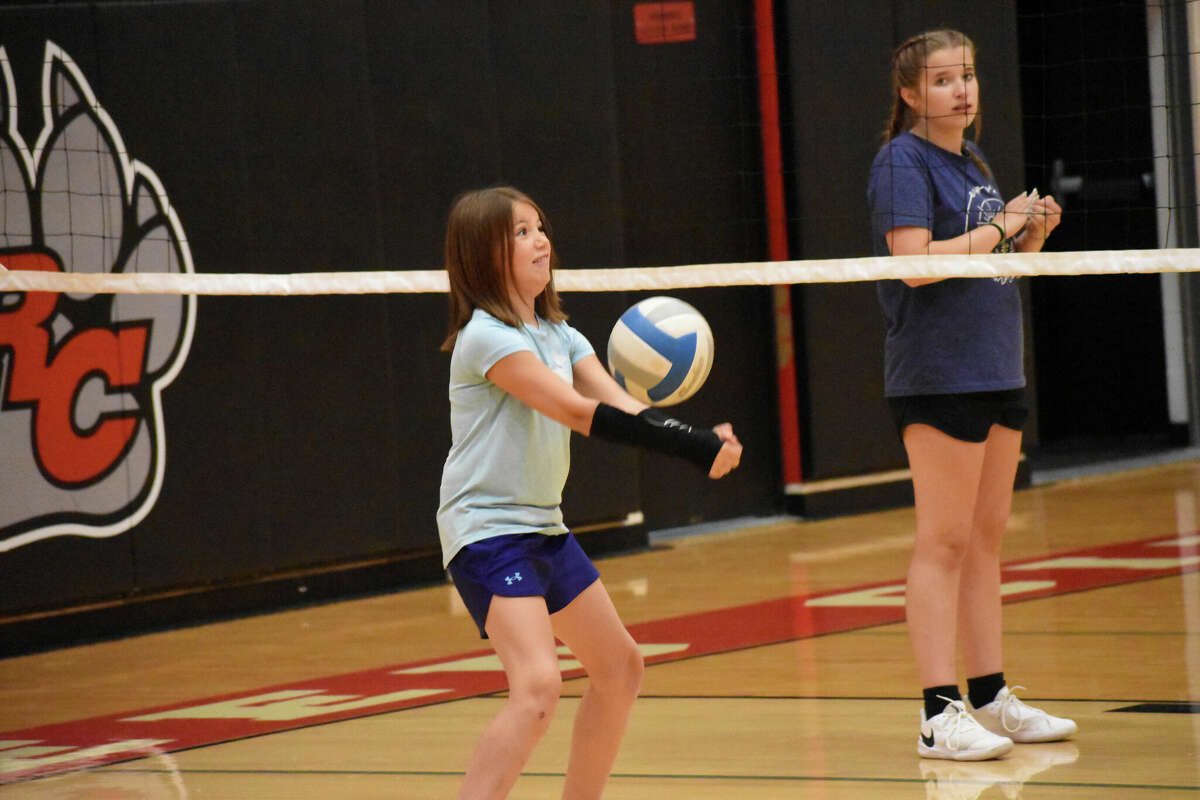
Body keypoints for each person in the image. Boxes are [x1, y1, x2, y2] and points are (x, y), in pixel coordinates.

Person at [436, 186, 742, 799]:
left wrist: (697, 437)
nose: (540, 239)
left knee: (620, 667)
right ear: (481, 256)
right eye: (520, 232)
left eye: (539, 226)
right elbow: (578, 413)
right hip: (486, 530)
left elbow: (623, 407)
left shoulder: (562, 335)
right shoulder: (486, 338)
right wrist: (697, 449)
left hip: (541, 526)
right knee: (538, 688)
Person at [867, 30, 1076, 761]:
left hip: (996, 367)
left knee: (985, 541)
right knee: (945, 541)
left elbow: (993, 269)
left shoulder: (973, 160)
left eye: (969, 76)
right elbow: (916, 266)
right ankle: (936, 713)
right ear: (911, 93)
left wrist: (1029, 240)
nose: (963, 90)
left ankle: (989, 696)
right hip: (939, 372)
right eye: (945, 79)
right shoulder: (903, 161)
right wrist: (998, 225)